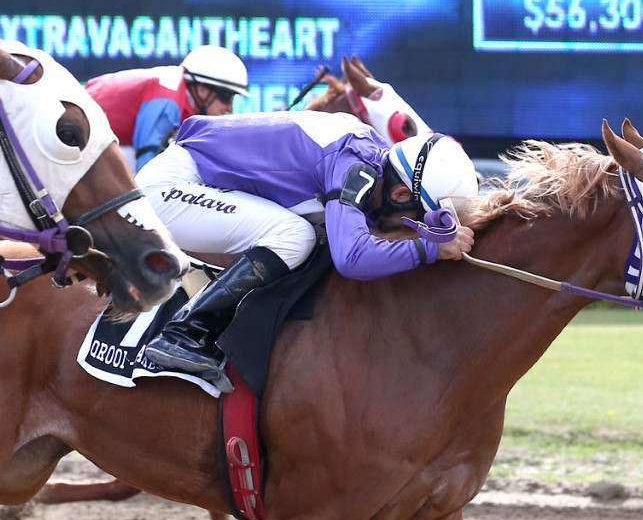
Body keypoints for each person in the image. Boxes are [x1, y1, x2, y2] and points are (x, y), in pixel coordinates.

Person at [138, 110, 479, 391]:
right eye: (414, 218)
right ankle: (184, 334)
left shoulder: (370, 162)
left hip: (200, 180)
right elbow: (352, 258)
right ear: (401, 194)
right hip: (172, 187)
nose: (410, 227)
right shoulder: (354, 167)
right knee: (295, 235)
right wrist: (428, 250)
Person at [85, 44, 249, 172]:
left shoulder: (182, 93)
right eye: (226, 96)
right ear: (202, 89)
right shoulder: (168, 99)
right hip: (77, 142)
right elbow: (147, 164)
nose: (230, 108)